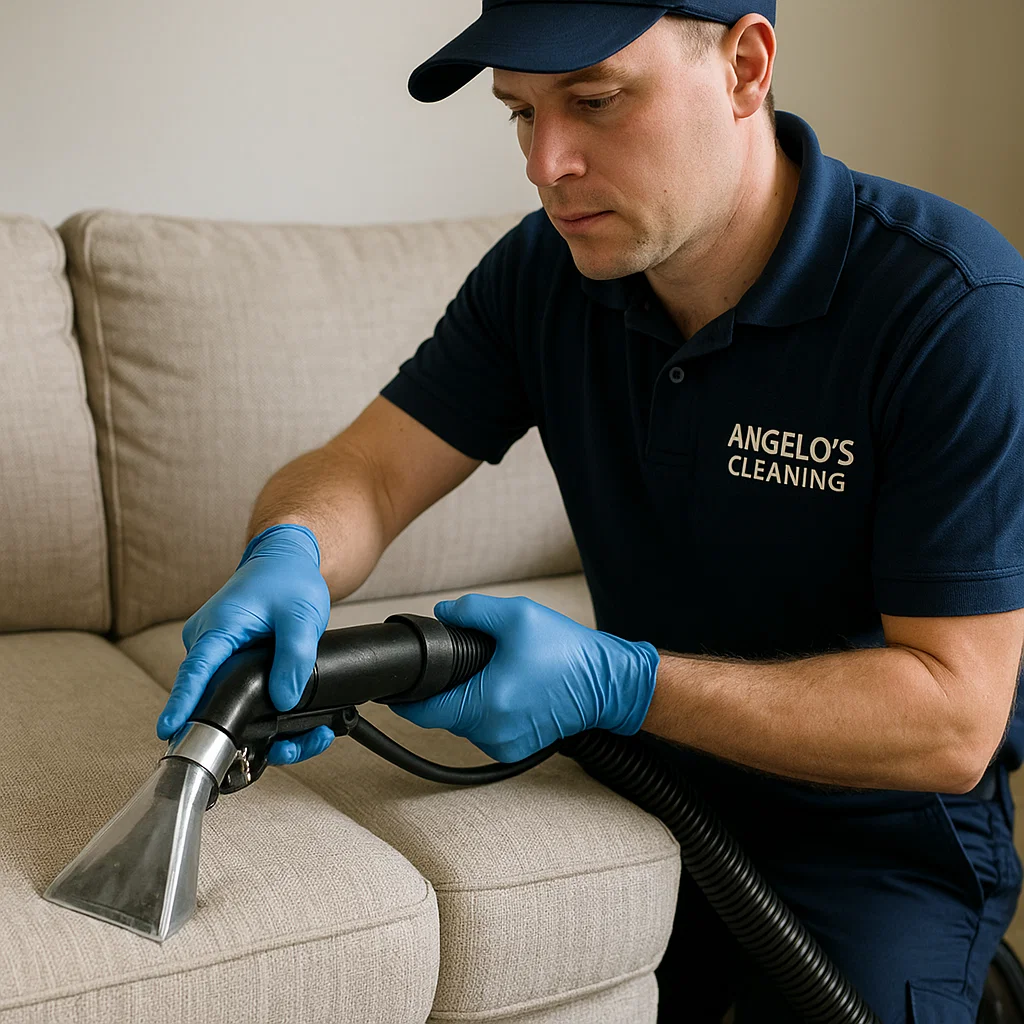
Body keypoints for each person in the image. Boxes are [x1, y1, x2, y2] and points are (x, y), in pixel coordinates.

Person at [156, 1, 1024, 1019]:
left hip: (873, 844)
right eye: (520, 114)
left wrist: (626, 684)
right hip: (643, 788)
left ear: (744, 66)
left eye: (596, 101)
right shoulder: (545, 273)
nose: (546, 162)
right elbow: (370, 471)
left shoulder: (949, 304)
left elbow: (953, 718)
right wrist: (289, 549)